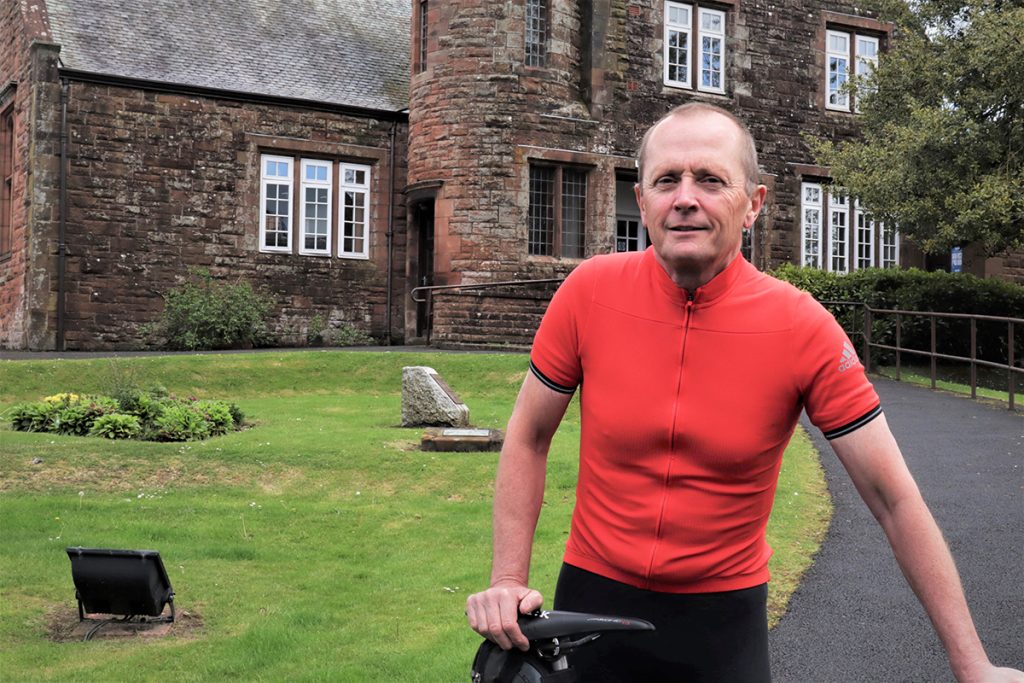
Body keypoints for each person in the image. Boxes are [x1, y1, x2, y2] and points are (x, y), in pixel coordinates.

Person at [465, 102, 1023, 682]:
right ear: (645, 199)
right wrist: (507, 580)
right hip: (591, 608)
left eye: (710, 179)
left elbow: (892, 496)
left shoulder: (800, 327)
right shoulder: (588, 293)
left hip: (721, 625)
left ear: (753, 203)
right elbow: (528, 437)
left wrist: (972, 664)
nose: (685, 197)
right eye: (666, 180)